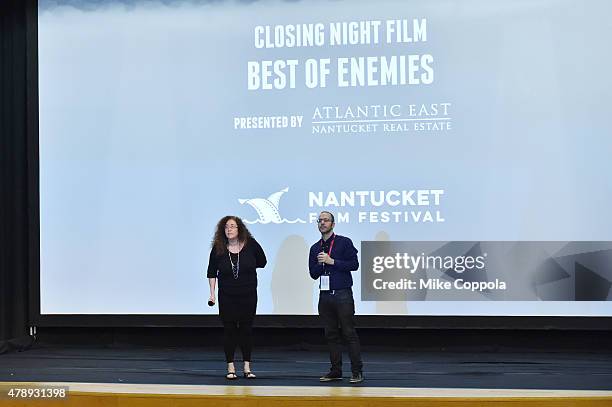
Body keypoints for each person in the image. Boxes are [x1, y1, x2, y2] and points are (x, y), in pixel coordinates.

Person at [207, 216, 266, 380]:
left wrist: (247, 265)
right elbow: (211, 272)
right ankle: (231, 367)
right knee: (230, 330)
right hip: (227, 296)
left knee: (247, 330)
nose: (229, 229)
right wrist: (212, 294)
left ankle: (247, 366)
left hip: (248, 295)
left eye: (232, 226)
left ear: (239, 229)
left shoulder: (251, 245)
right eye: (226, 227)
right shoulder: (218, 248)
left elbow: (263, 261)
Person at [308, 211, 364, 383]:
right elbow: (313, 274)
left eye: (326, 220)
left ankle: (356, 371)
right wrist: (321, 263)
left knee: (349, 333)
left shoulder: (344, 242)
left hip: (342, 294)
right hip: (325, 296)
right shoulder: (315, 248)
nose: (322, 223)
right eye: (320, 220)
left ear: (333, 224)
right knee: (330, 334)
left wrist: (333, 261)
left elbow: (354, 265)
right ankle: (336, 370)